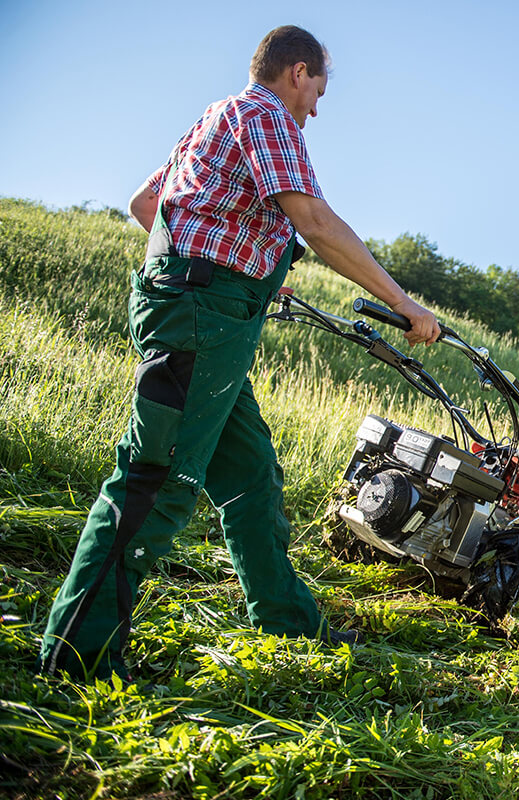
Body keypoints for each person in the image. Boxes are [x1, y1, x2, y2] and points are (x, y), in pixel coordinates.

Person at [38, 25, 440, 681]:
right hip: (205, 320)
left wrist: (227, 265)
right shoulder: (266, 115)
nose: (317, 106)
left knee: (251, 476)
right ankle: (78, 653)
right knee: (157, 479)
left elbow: (148, 205)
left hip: (204, 313)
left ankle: (289, 624)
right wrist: (405, 304)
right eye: (318, 90)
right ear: (298, 72)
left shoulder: (213, 117)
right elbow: (313, 222)